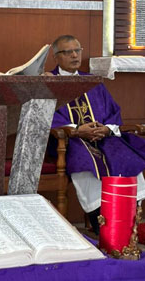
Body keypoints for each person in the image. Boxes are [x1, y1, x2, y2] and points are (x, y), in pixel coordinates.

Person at [48, 35, 145, 233]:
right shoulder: (49, 81)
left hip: (103, 138)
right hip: (71, 142)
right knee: (85, 164)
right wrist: (76, 130)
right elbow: (45, 116)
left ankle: (132, 222)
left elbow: (113, 110)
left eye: (77, 50)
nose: (74, 55)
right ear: (56, 56)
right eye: (68, 52)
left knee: (127, 157)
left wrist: (107, 128)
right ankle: (102, 223)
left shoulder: (92, 81)